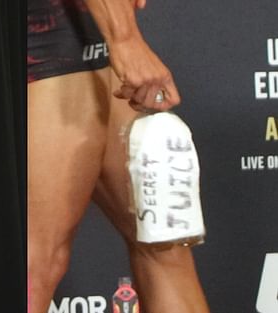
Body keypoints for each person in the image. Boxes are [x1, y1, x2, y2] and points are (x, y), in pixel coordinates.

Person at [28, 0, 211, 312]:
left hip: (90, 31)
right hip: (46, 33)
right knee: (35, 265)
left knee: (163, 239)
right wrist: (126, 39)